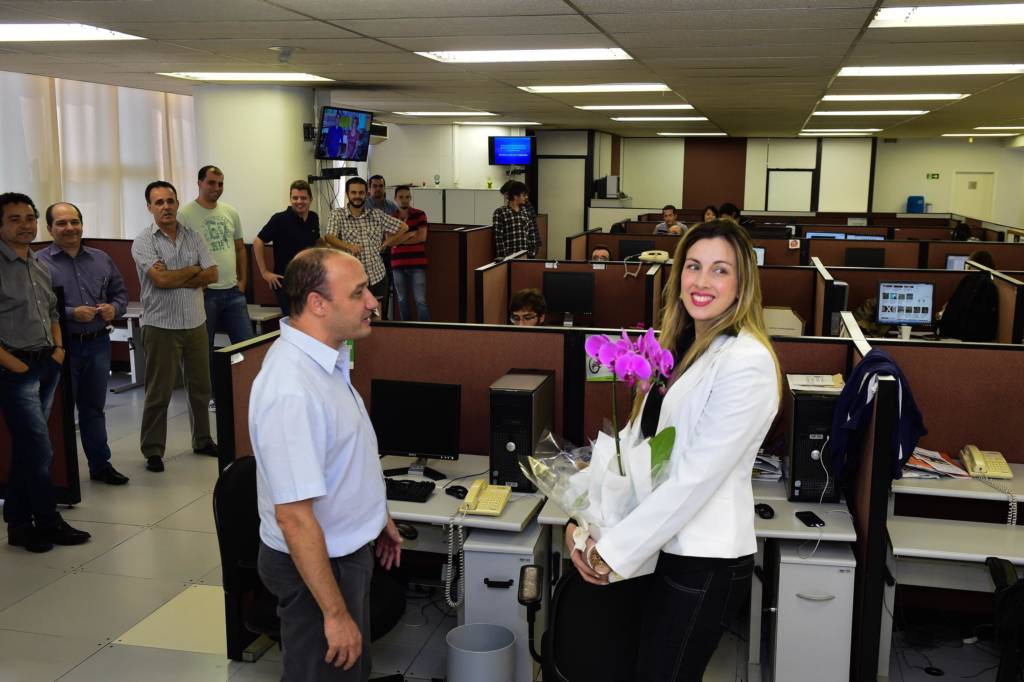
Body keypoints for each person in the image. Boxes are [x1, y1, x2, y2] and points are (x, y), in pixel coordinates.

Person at [567, 219, 781, 681]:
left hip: (703, 561)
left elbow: (695, 478)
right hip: (660, 549)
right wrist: (581, 520)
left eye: (720, 270)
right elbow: (633, 445)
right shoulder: (679, 345)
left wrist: (612, 552)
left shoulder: (747, 362)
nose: (702, 282)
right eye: (693, 266)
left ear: (742, 284)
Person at [252, 248, 402, 682]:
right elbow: (294, 517)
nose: (373, 302)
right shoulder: (291, 389)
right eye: (358, 293)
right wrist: (334, 614)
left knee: (352, 672)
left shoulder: (326, 360)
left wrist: (376, 517)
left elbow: (343, 454)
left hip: (343, 552)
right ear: (317, 303)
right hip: (316, 568)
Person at [0, 192, 91, 552]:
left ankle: (19, 525)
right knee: (40, 450)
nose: (25, 225)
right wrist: (15, 365)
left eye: (30, 218)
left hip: (46, 364)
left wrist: (58, 350)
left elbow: (52, 311)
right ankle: (48, 521)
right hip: (15, 370)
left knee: (28, 449)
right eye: (15, 219)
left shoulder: (37, 263)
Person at [38, 202, 130, 486]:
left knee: (93, 409)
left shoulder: (101, 258)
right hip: (61, 348)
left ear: (82, 224)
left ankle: (100, 465)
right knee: (58, 413)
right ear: (49, 228)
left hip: (98, 343)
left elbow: (120, 294)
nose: (70, 228)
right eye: (62, 223)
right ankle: (56, 474)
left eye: (74, 222)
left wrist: (114, 308)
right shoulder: (38, 263)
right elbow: (38, 307)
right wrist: (70, 314)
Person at [131, 181, 220, 473]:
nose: (166, 207)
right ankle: (153, 450)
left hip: (195, 322)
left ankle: (203, 440)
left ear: (178, 203)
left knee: (201, 388)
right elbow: (160, 281)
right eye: (159, 202)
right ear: (149, 207)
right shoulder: (143, 241)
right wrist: (194, 270)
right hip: (161, 326)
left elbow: (213, 274)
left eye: (170, 201)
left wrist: (177, 274)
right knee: (159, 392)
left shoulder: (193, 236)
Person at [177, 165, 252, 411]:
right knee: (204, 349)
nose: (217, 188)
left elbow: (240, 248)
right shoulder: (185, 215)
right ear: (199, 183)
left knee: (246, 344)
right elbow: (182, 255)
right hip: (204, 294)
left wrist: (243, 281)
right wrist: (196, 283)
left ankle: (247, 392)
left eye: (220, 184)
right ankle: (211, 396)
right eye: (211, 183)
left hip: (233, 292)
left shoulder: (230, 212)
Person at [322, 177, 408, 306]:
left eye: (361, 193)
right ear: (347, 194)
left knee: (378, 316)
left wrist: (387, 242)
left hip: (377, 278)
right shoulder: (337, 215)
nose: (357, 196)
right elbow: (329, 237)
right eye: (353, 192)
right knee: (354, 315)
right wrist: (349, 246)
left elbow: (404, 227)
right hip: (351, 280)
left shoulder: (376, 214)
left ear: (366, 194)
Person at [254, 180, 321, 315]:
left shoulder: (313, 217)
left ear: (310, 199)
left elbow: (316, 241)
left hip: (309, 280)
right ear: (290, 199)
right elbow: (258, 242)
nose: (299, 201)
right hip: (285, 282)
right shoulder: (279, 219)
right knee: (295, 320)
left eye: (303, 198)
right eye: (295, 198)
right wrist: (265, 273)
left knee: (312, 318)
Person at [389, 185, 430, 321]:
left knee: (420, 300)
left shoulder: (420, 214)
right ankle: (406, 330)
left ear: (410, 198)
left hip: (417, 264)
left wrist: (398, 241)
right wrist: (409, 234)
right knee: (402, 299)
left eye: (407, 197)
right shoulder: (391, 217)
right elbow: (389, 242)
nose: (404, 200)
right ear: (395, 199)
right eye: (401, 197)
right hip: (397, 264)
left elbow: (422, 237)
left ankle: (426, 329)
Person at [493, 181, 539, 259]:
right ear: (515, 196)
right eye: (524, 195)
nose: (526, 197)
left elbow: (532, 234)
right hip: (508, 257)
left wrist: (532, 253)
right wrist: (504, 257)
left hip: (525, 256)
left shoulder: (526, 212)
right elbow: (498, 237)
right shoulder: (500, 212)